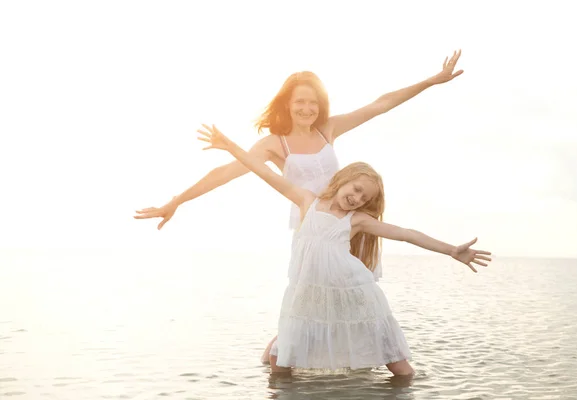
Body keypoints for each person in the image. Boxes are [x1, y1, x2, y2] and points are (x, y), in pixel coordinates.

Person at [134, 50, 464, 362]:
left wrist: (431, 81)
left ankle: (354, 359)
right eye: (299, 102)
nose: (307, 108)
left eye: (313, 102)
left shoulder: (327, 129)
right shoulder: (273, 144)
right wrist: (176, 201)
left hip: (349, 222)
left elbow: (380, 105)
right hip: (311, 227)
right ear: (287, 105)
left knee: (352, 298)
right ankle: (282, 357)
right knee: (310, 302)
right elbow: (225, 173)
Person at [197, 124, 492, 376]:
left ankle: (406, 388)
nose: (356, 197)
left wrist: (452, 250)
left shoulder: (357, 220)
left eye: (364, 197)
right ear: (341, 181)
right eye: (355, 188)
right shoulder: (306, 201)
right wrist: (229, 146)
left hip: (353, 292)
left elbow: (405, 234)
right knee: (279, 364)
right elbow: (262, 171)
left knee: (397, 364)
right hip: (309, 294)